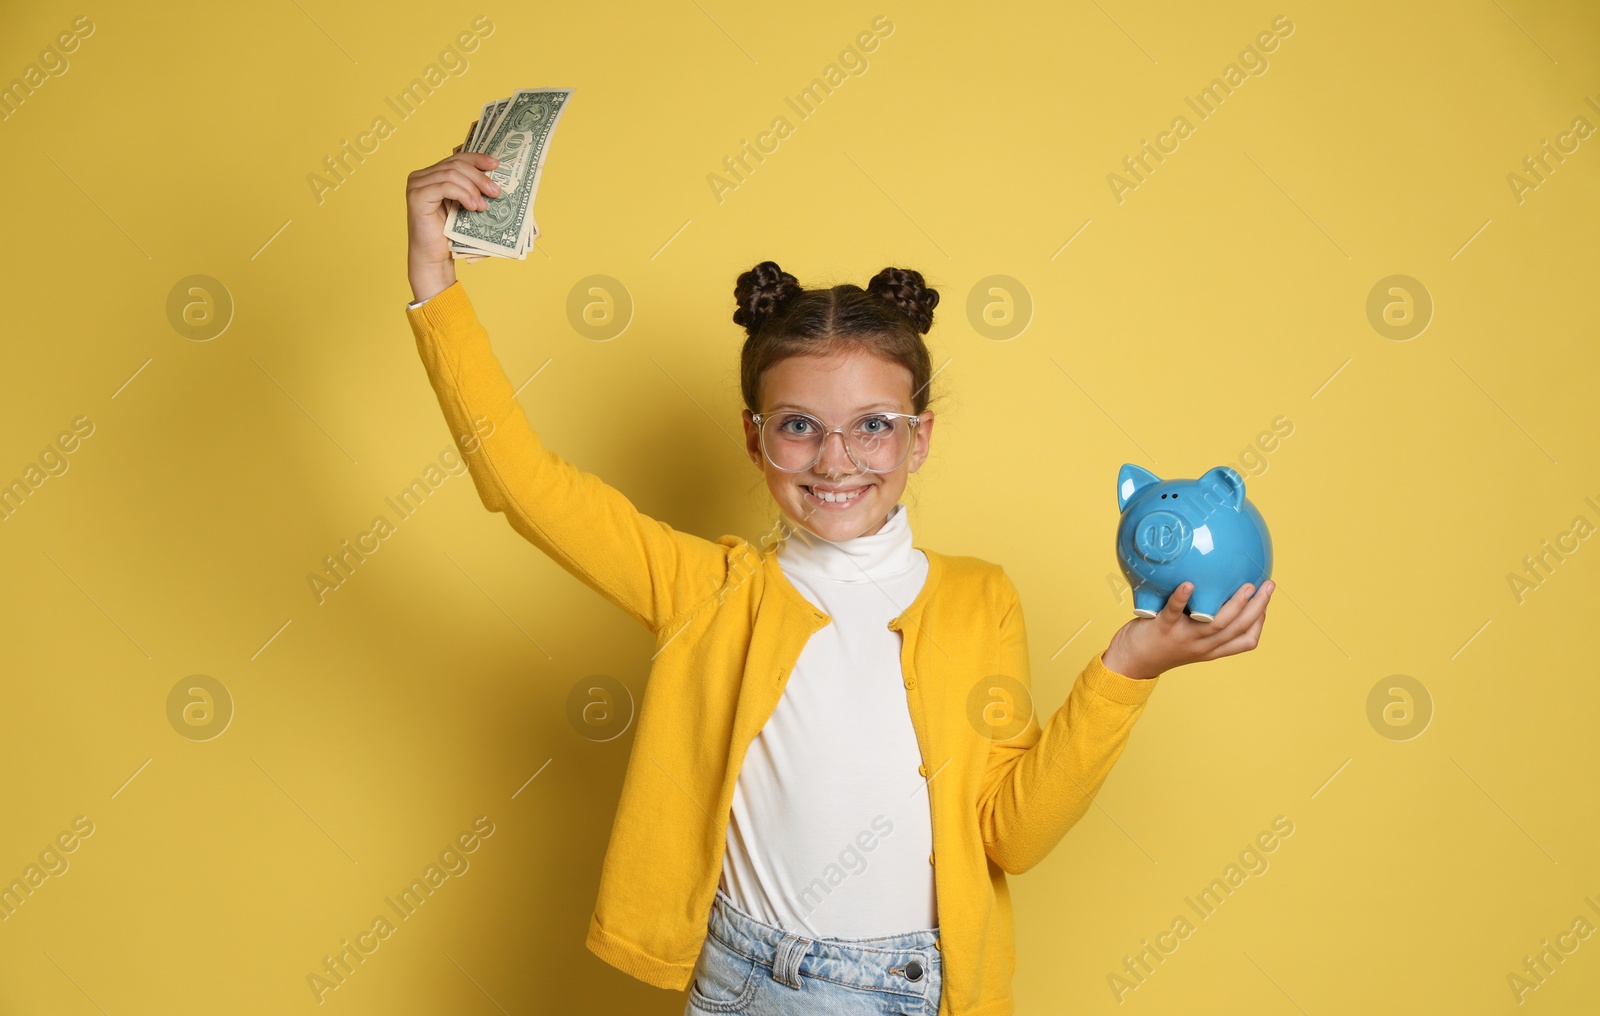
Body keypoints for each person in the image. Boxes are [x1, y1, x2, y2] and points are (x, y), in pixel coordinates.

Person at [403, 149, 1275, 1016]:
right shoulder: (702, 588)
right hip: (737, 980)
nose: (836, 460)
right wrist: (434, 275)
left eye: (873, 426)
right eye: (798, 426)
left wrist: (1128, 669)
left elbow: (1013, 833)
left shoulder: (981, 599)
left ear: (919, 439)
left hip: (905, 990)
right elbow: (522, 482)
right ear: (754, 439)